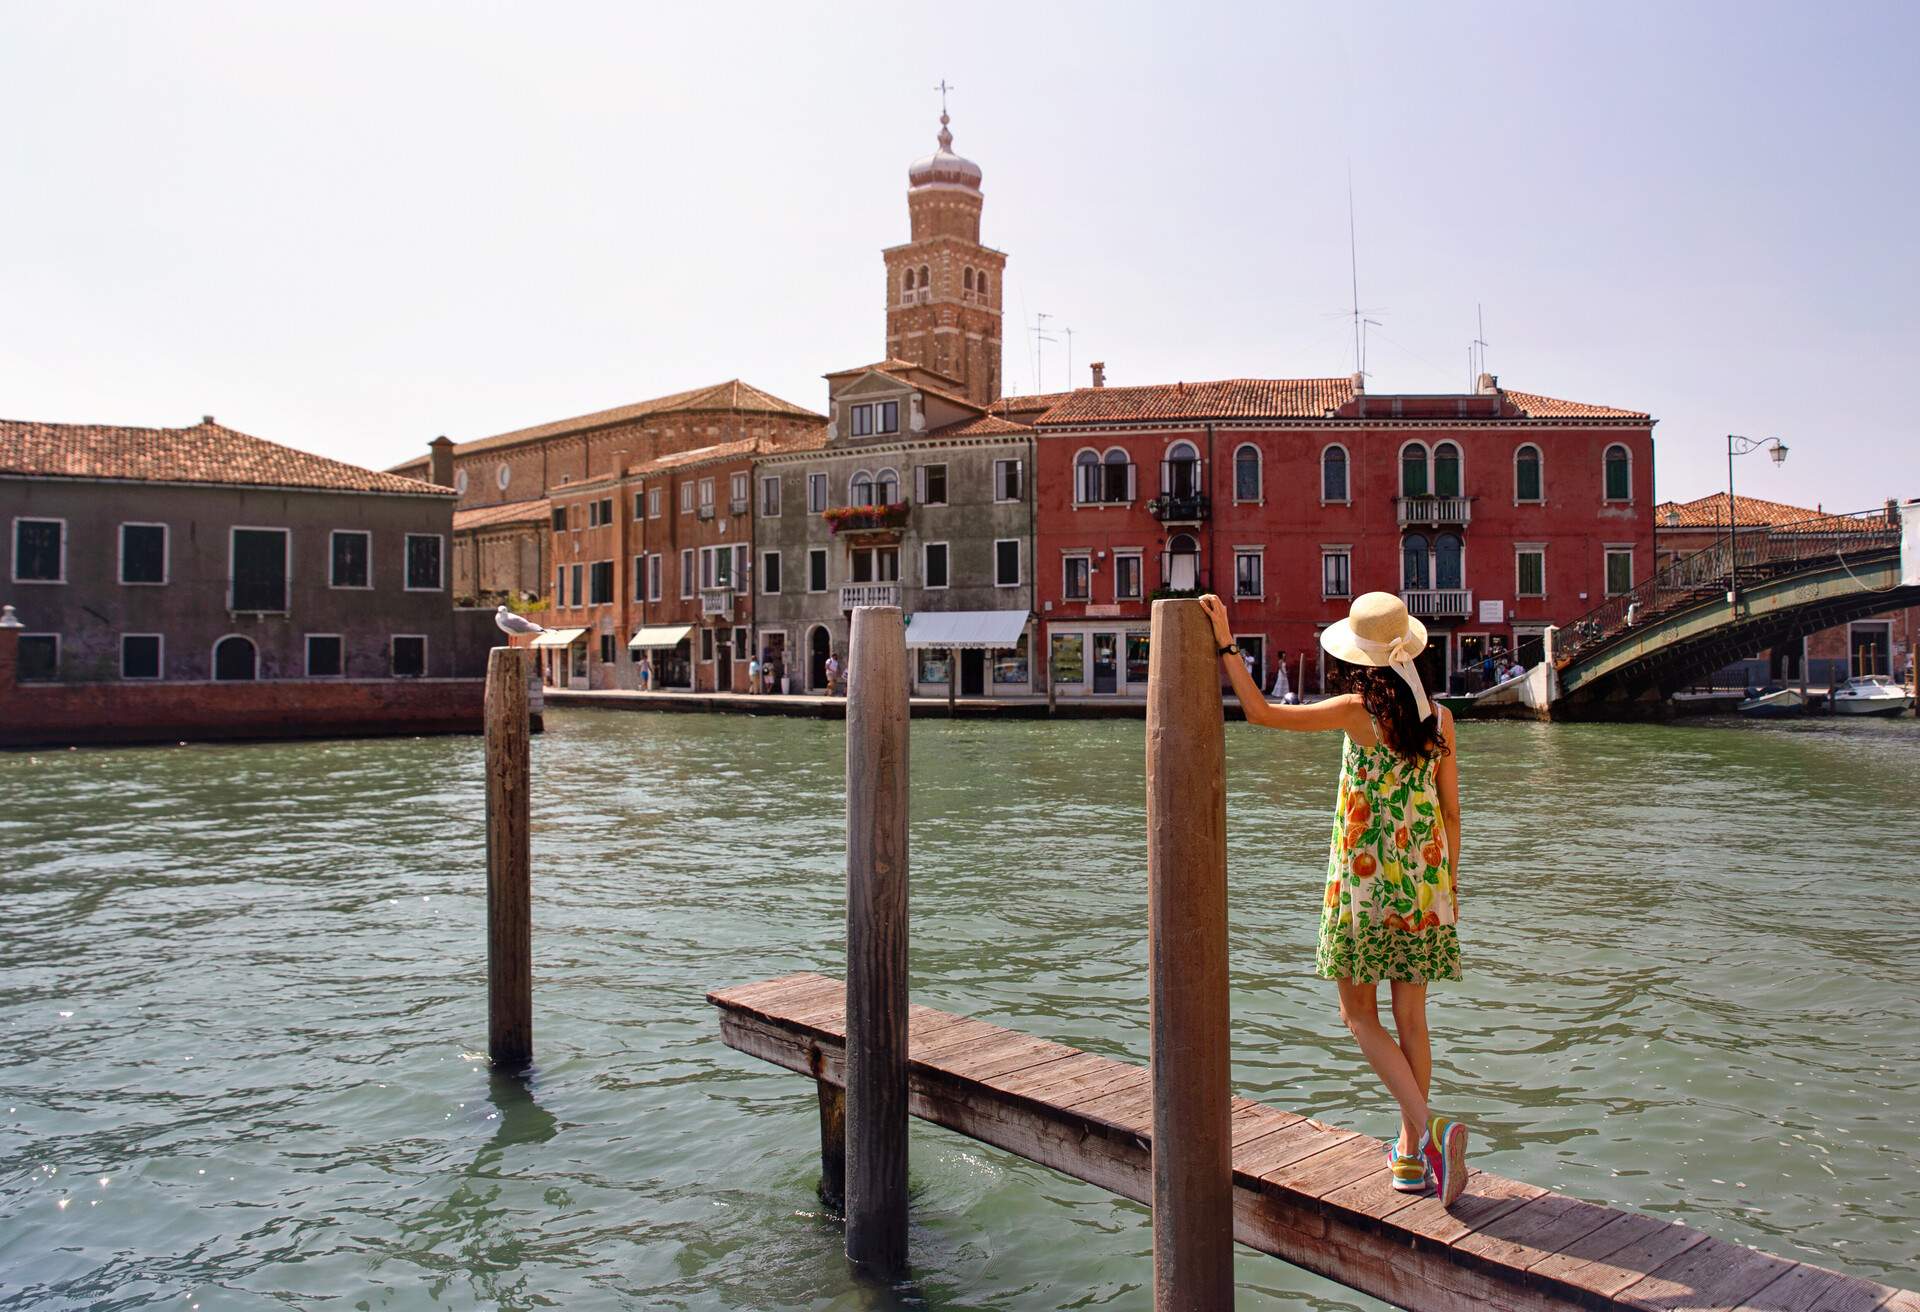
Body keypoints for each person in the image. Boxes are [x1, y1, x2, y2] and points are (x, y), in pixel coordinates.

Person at [1199, 590, 1470, 1207]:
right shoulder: (1441, 720)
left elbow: (1262, 713)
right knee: (1412, 1020)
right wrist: (1447, 885)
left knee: (1356, 1016)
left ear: (1360, 660)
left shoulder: (1357, 714)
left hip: (1365, 887)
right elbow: (1452, 813)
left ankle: (1428, 1130)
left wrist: (1226, 642)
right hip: (1427, 886)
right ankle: (1407, 1156)